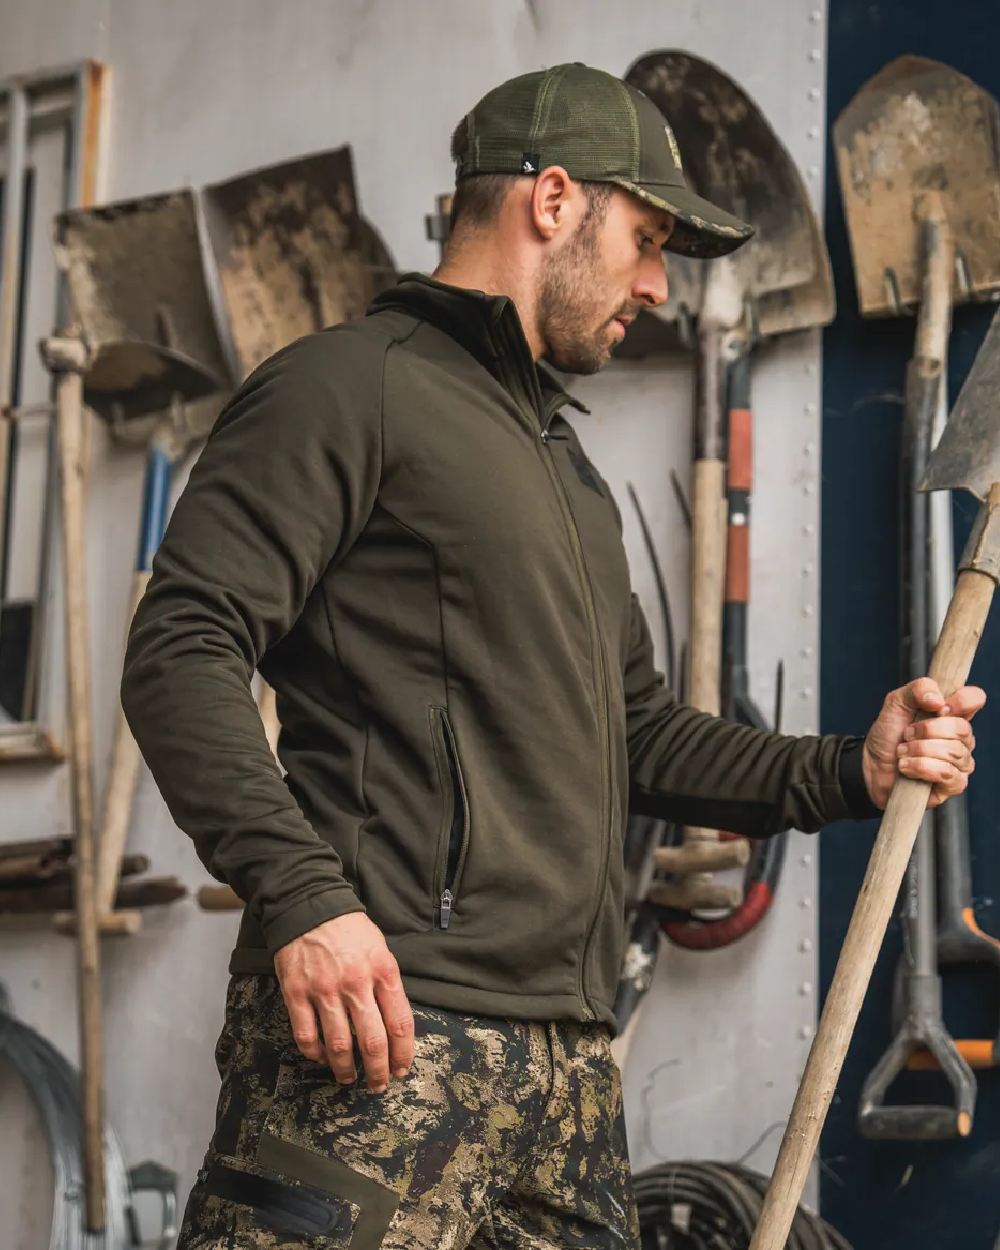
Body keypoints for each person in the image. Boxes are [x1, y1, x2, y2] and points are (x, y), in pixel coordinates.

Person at [122, 63, 983, 1250]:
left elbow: (636, 735)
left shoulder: (569, 475)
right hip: (386, 1044)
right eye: (646, 239)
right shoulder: (344, 387)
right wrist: (305, 897)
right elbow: (180, 644)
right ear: (554, 198)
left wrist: (850, 767)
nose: (654, 284)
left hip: (565, 1079)